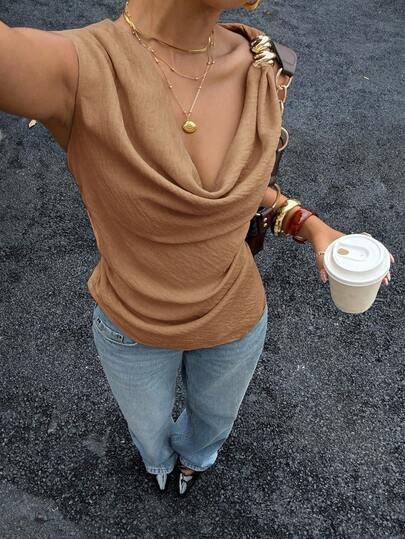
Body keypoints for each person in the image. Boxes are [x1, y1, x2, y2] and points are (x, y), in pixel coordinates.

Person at [0, 0, 394, 497]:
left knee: (212, 421)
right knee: (147, 428)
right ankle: (158, 461)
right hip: (134, 325)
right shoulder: (77, 69)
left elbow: (243, 188)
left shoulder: (262, 63)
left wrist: (310, 225)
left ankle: (196, 458)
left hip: (236, 317)